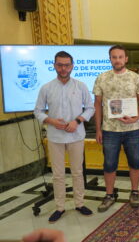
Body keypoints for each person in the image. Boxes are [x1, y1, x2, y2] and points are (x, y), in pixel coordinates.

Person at [34, 51, 94, 223]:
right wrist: (50, 120)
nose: (63, 68)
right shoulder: (46, 87)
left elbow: (90, 108)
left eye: (67, 65)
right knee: (58, 174)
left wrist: (77, 120)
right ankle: (60, 207)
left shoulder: (80, 86)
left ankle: (79, 203)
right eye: (60, 65)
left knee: (77, 171)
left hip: (76, 135)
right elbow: (38, 111)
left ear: (72, 66)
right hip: (55, 137)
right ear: (54, 65)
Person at [93, 45, 139, 212]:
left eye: (120, 57)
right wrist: (98, 129)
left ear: (126, 58)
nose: (117, 60)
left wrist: (137, 116)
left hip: (133, 129)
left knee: (136, 162)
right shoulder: (101, 78)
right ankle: (109, 195)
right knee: (109, 164)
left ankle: (135, 192)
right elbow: (97, 105)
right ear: (110, 59)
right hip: (109, 130)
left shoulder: (136, 78)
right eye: (114, 57)